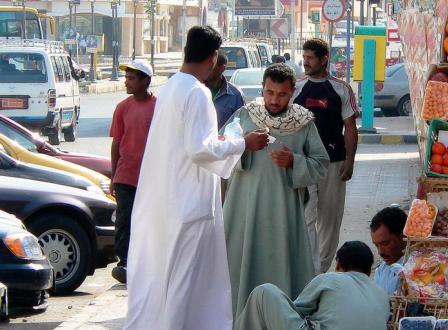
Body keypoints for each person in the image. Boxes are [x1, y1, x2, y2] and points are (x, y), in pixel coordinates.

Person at [123, 26, 269, 330]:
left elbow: (186, 143)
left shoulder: (172, 87)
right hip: (189, 206)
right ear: (213, 57)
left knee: (167, 282)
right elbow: (200, 149)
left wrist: (220, 142)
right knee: (186, 288)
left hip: (166, 203)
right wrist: (243, 143)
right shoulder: (197, 92)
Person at [222, 63, 329, 315]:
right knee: (238, 265)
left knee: (282, 267)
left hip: (284, 213)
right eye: (269, 93)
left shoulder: (302, 122)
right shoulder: (244, 116)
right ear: (262, 89)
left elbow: (321, 164)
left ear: (292, 92)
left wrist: (294, 161)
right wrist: (244, 146)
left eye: (281, 94)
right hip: (244, 209)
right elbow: (219, 150)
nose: (274, 99)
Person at [294, 38, 359, 274]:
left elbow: (350, 127)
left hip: (334, 162)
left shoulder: (341, 89)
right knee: (306, 218)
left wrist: (350, 161)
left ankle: (321, 270)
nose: (305, 62)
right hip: (304, 163)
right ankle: (309, 270)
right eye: (304, 57)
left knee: (330, 221)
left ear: (324, 59)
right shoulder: (297, 87)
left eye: (310, 58)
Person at [234, 241, 390, 330]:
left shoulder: (330, 279)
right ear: (369, 271)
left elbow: (296, 310)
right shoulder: (382, 295)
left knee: (264, 292)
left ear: (338, 265)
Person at [108, 59, 156, 284]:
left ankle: (147, 261)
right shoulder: (122, 108)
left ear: (145, 81)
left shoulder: (159, 107)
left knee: (147, 220)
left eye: (132, 78)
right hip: (126, 175)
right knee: (125, 220)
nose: (127, 82)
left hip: (150, 177)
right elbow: (117, 142)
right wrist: (114, 173)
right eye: (126, 78)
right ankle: (124, 262)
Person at [370, 206, 408, 296]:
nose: (380, 252)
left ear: (403, 236)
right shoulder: (382, 270)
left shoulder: (420, 266)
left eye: (385, 243)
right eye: (376, 245)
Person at [205, 51, 245, 129]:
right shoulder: (197, 90)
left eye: (211, 66)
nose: (205, 69)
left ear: (222, 69)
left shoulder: (235, 94)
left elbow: (241, 124)